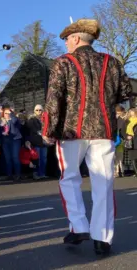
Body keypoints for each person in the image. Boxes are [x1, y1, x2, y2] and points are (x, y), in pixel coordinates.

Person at [42, 19, 132, 255]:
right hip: (103, 129)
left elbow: (54, 99)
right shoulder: (111, 62)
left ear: (75, 38)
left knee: (69, 178)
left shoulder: (63, 63)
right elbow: (125, 92)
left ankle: (79, 225)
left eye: (66, 40)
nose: (65, 44)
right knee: (103, 182)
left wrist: (49, 130)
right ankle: (102, 237)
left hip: (71, 130)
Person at [26, 104, 49, 179]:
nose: (39, 111)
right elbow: (32, 129)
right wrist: (42, 132)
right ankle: (36, 174)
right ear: (34, 111)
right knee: (36, 159)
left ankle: (42, 173)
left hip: (44, 142)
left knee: (44, 159)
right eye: (37, 110)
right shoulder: (31, 119)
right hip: (36, 142)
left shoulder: (45, 119)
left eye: (40, 110)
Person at [1, 107, 22, 181]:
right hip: (6, 141)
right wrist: (2, 133)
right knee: (8, 158)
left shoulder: (14, 119)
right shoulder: (1, 121)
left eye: (9, 113)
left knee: (15, 157)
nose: (7, 115)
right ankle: (9, 174)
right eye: (6, 113)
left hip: (15, 140)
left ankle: (18, 174)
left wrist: (11, 115)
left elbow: (14, 121)